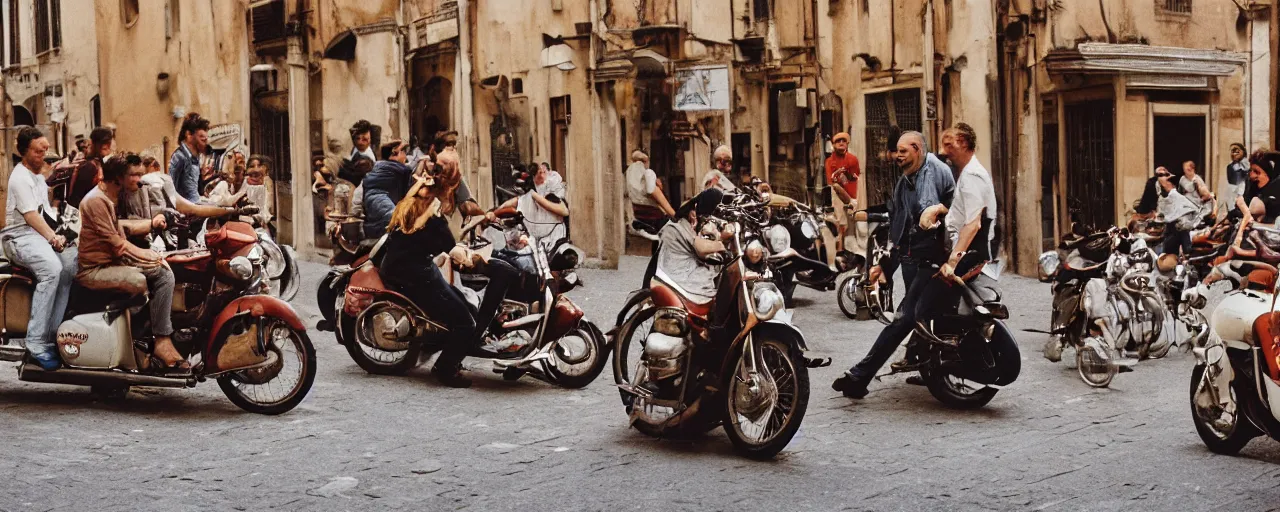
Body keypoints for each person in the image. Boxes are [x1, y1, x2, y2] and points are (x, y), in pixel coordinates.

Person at [832, 131, 956, 399]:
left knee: (905, 317)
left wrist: (894, 260)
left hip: (935, 258)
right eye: (896, 152)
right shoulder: (905, 181)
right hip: (918, 255)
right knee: (917, 315)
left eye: (903, 151)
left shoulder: (929, 174)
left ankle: (860, 375)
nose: (897, 156)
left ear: (918, 150)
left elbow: (926, 213)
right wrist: (885, 265)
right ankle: (924, 363)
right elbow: (898, 220)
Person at [378, 168, 515, 388]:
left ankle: (447, 351)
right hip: (416, 276)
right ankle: (445, 368)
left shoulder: (410, 201)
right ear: (447, 192)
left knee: (468, 308)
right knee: (465, 323)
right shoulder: (434, 218)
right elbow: (453, 250)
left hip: (404, 268)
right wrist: (475, 258)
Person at [76, 154, 186, 373]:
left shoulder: (111, 196)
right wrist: (152, 257)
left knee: (165, 274)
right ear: (118, 178)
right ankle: (149, 341)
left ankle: (157, 337)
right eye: (134, 175)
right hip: (95, 270)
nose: (140, 179)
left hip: (112, 262)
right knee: (144, 278)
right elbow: (118, 245)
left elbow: (122, 234)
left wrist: (153, 246)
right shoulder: (96, 200)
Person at [1, 127, 78, 370]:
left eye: (45, 150)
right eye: (38, 151)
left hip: (37, 235)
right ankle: (34, 343)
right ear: (24, 152)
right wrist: (54, 238)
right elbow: (31, 215)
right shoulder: (20, 178)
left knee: (70, 266)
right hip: (19, 237)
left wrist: (70, 231)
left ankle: (54, 335)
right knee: (52, 268)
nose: (43, 156)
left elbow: (46, 212)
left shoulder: (36, 176)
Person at [655, 188, 730, 304]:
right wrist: (722, 242)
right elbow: (700, 248)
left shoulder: (690, 224)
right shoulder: (678, 226)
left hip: (684, 267)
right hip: (676, 273)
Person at [362, 139, 418, 238]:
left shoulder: (383, 168)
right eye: (403, 152)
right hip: (381, 222)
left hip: (376, 218)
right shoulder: (396, 170)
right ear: (394, 153)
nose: (406, 156)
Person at [49, 126, 114, 209]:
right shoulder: (89, 166)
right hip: (84, 211)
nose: (109, 147)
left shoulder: (97, 163)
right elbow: (77, 196)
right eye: (107, 143)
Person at [825, 132, 861, 252]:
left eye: (843, 141)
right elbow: (832, 182)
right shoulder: (829, 161)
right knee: (840, 222)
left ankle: (853, 250)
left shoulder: (853, 159)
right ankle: (840, 250)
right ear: (834, 145)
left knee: (854, 221)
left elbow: (855, 177)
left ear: (847, 144)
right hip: (837, 193)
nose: (841, 143)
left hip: (852, 192)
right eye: (838, 141)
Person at [625, 150, 676, 233]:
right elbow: (652, 192)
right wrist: (675, 216)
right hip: (653, 217)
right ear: (646, 161)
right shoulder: (649, 173)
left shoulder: (628, 173)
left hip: (638, 216)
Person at [1155, 167, 1200, 256]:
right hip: (1170, 231)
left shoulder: (1176, 196)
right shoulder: (1162, 198)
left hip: (1180, 229)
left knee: (1185, 251)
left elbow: (1193, 209)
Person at [170, 112, 212, 204]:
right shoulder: (179, 157)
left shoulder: (195, 159)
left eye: (206, 139)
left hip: (195, 205)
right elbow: (171, 191)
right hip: (185, 210)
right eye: (202, 138)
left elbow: (194, 189)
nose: (205, 142)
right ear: (188, 135)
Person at [1226, 143, 1249, 212]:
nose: (1234, 153)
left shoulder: (1247, 164)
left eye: (1237, 151)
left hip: (1245, 191)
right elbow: (1231, 181)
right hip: (1234, 192)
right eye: (1232, 151)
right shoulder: (1230, 167)